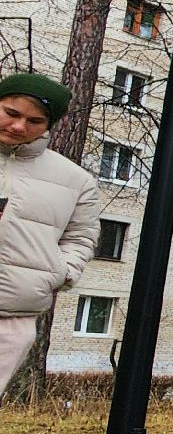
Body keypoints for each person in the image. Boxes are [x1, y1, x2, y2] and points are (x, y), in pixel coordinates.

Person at [0, 72, 102, 391]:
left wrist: (61, 273)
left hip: (11, 317)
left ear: (48, 125)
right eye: (11, 113)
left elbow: (81, 237)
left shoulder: (75, 180)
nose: (19, 126)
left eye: (35, 120)